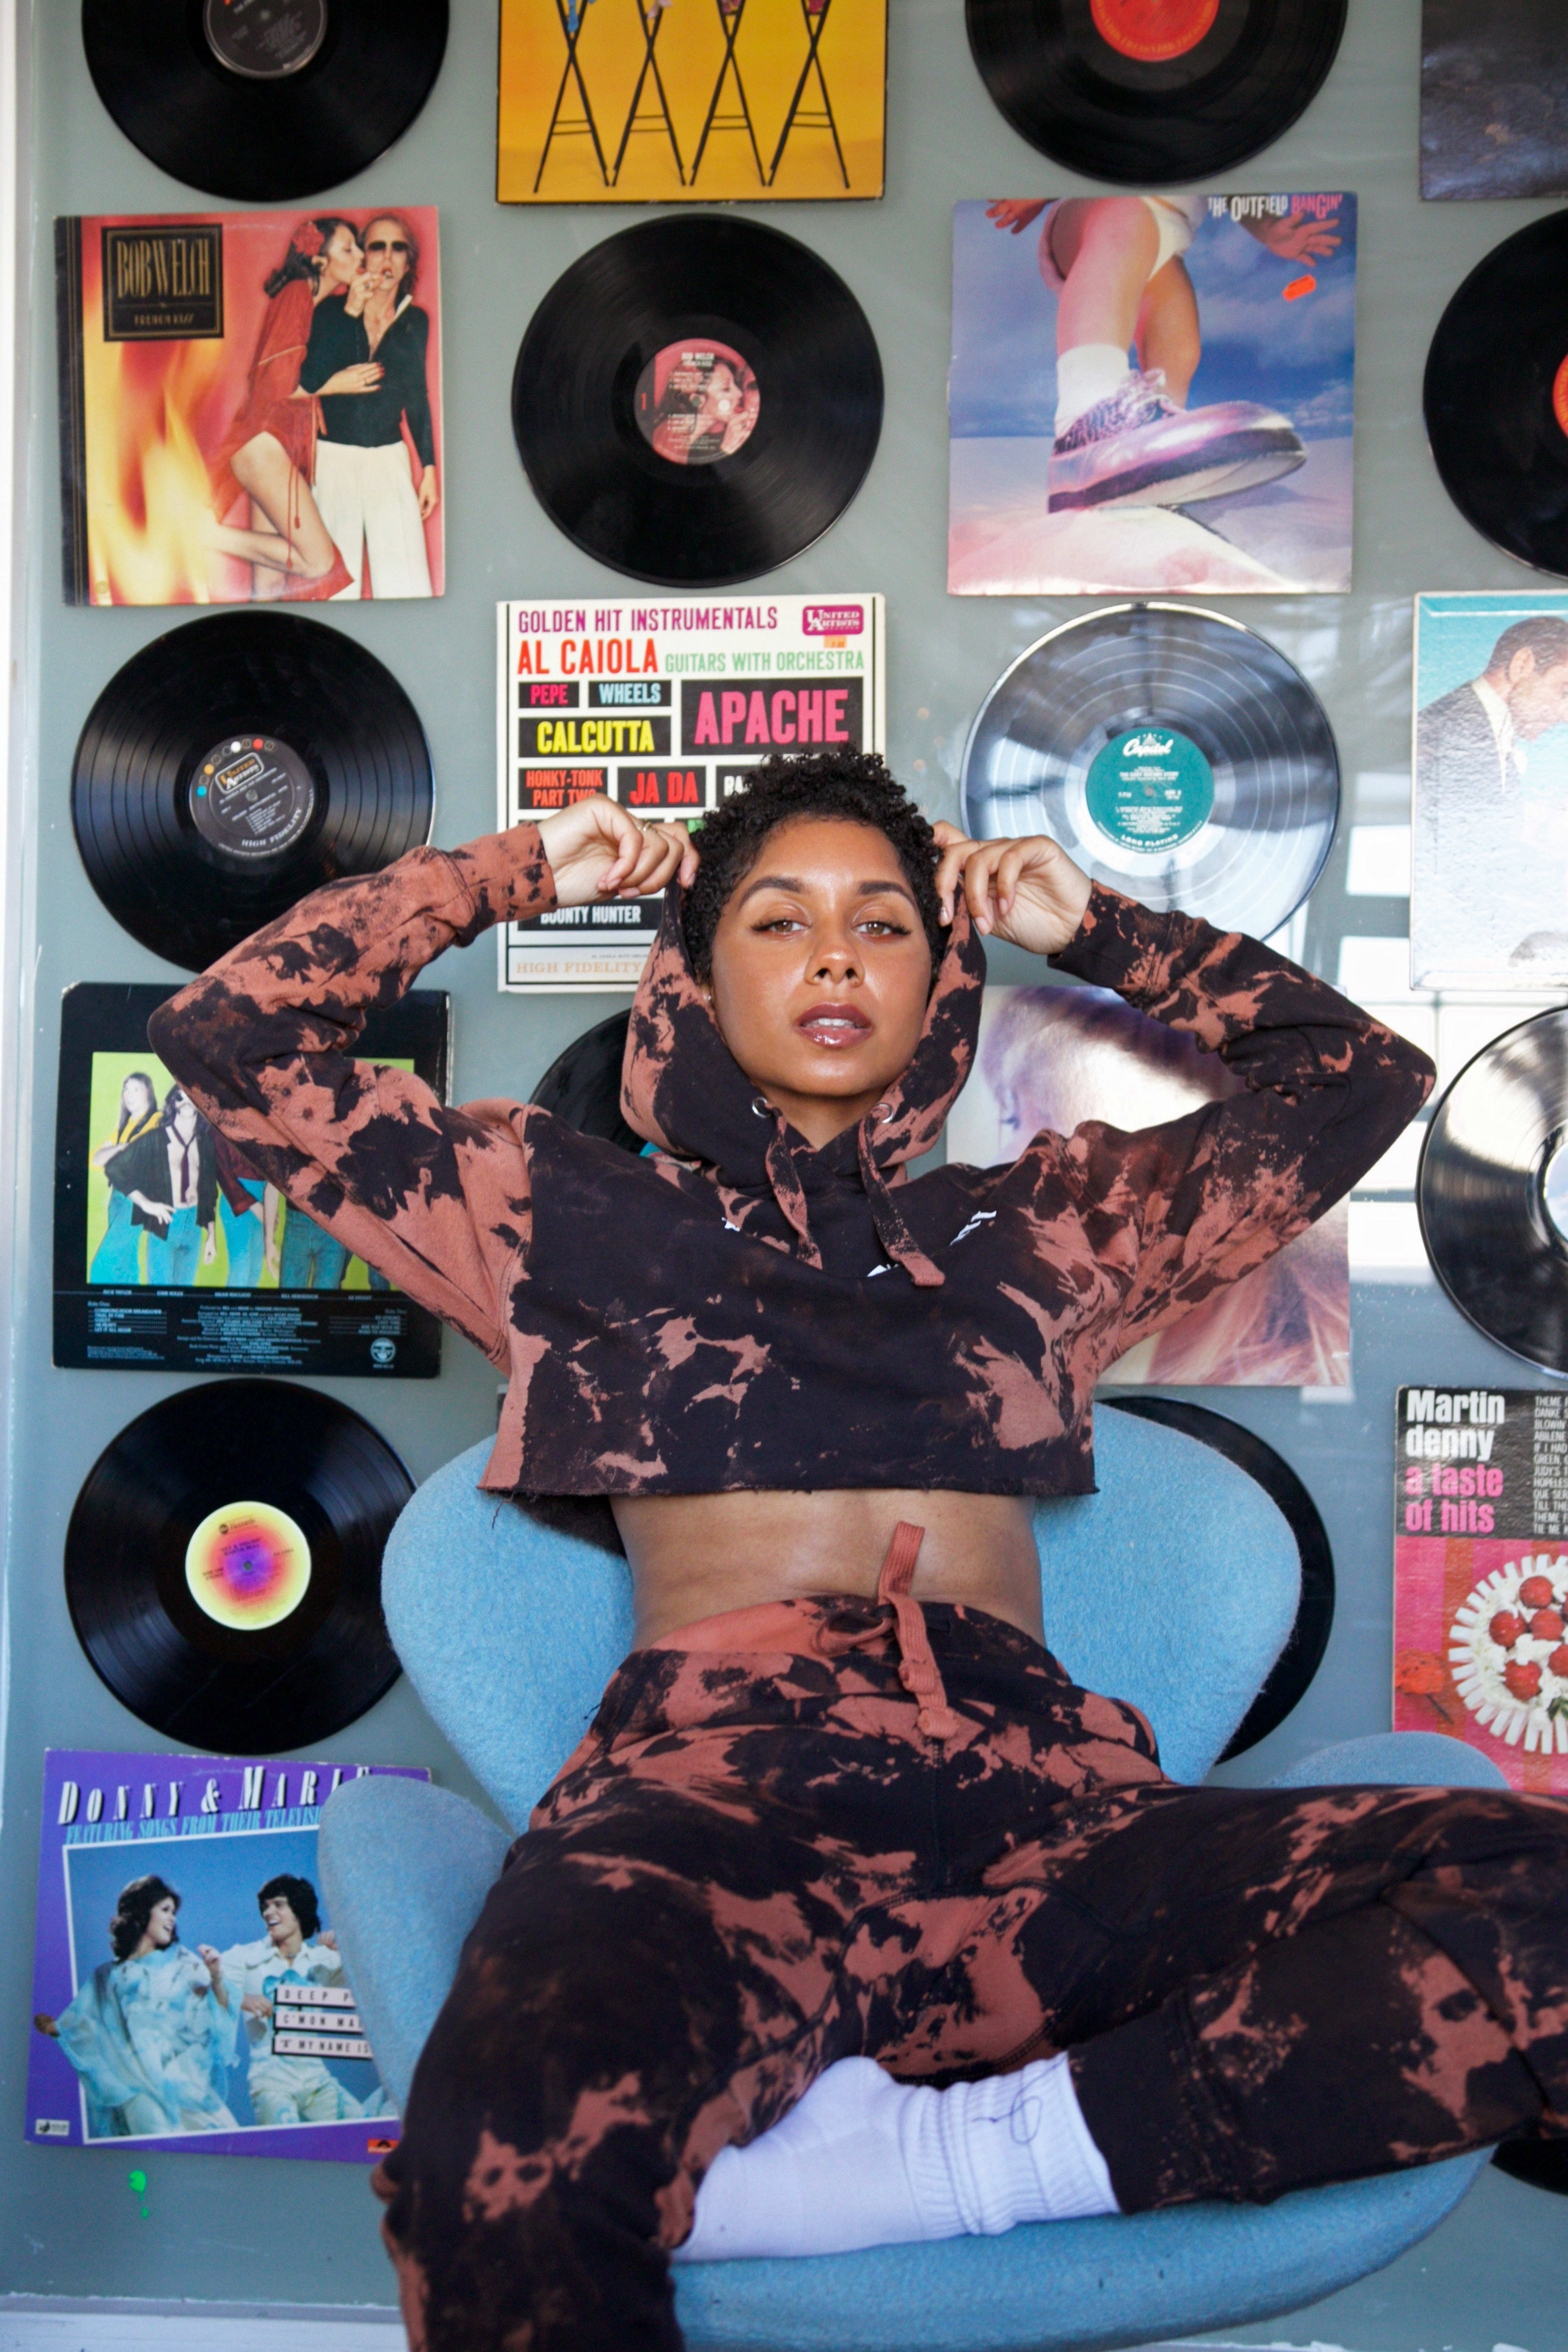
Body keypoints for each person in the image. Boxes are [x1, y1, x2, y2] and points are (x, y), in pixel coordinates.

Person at [152, 751, 1567, 2352]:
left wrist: (1097, 925)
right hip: (712, 1815)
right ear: (692, 971)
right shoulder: (549, 1219)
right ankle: (957, 2160)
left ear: (940, 978)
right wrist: (512, 873)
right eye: (779, 918)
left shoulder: (1044, 1227)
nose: (835, 955)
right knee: (503, 2151)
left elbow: (1359, 1078)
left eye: (883, 923)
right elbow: (230, 1038)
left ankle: (955, 2166)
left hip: (1060, 1826)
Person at [979, 985, 1349, 1387]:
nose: (1016, 1157)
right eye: (1015, 1120)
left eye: (1061, 1119)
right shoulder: (1014, 1325)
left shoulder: (1286, 1372)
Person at [985, 195, 1342, 512]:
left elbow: (1235, 189)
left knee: (1181, 348)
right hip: (1100, 211)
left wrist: (1269, 228)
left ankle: (1151, 471)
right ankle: (1082, 431)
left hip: (1171, 238)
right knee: (1125, 218)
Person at [207, 216, 376, 603]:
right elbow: (277, 387)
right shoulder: (298, 294)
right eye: (348, 249)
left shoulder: (320, 306)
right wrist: (336, 384)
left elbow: (328, 364)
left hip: (273, 449)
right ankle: (204, 536)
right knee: (316, 564)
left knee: (269, 587)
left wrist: (352, 311)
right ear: (320, 262)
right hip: (265, 445)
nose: (361, 256)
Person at [1414, 613, 1568, 972]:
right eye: (1564, 691)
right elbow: (1463, 866)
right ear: (1523, 664)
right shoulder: (1456, 727)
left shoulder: (1480, 726)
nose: (1565, 715)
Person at [34, 1875, 238, 2138]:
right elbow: (85, 2024)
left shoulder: (184, 1963)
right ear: (143, 1912)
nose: (172, 1918)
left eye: (174, 1913)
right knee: (159, 2150)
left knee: (226, 2137)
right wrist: (57, 2029)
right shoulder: (107, 1976)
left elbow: (219, 2013)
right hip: (136, 2090)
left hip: (183, 2082)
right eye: (165, 1910)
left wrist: (217, 1977)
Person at [301, 213, 439, 600]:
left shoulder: (416, 321)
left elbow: (417, 395)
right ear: (364, 256)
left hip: (388, 459)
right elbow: (312, 378)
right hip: (334, 459)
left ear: (408, 262)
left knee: (408, 588)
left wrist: (428, 469)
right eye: (378, 247)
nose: (388, 258)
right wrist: (351, 315)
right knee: (333, 593)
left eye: (399, 249)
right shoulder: (329, 312)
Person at [205, 1875, 366, 2127]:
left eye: (279, 1904)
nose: (269, 1912)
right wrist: (242, 1998)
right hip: (272, 2084)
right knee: (288, 2149)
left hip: (317, 2081)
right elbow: (212, 1988)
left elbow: (371, 1975)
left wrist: (345, 1947)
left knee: (367, 2133)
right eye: (265, 1907)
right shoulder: (245, 1957)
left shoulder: (321, 1959)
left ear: (299, 1910)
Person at [103, 1082, 216, 1285]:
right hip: (165, 1225)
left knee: (185, 1296)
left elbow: (209, 1191)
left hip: (194, 1226)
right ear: (172, 1103)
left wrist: (212, 1236)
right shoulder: (155, 1139)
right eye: (180, 1097)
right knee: (160, 1294)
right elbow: (114, 1168)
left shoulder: (205, 1143)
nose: (187, 1103)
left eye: (193, 1097)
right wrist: (145, 1203)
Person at [87, 1069, 158, 1284]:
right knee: (125, 1265)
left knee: (103, 1266)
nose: (129, 1093)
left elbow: (144, 1153)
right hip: (118, 1200)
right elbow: (95, 1160)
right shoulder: (124, 1128)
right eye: (126, 1089)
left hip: (137, 1200)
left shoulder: (159, 1119)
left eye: (137, 1089)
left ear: (149, 1095)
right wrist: (123, 1147)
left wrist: (118, 1150)